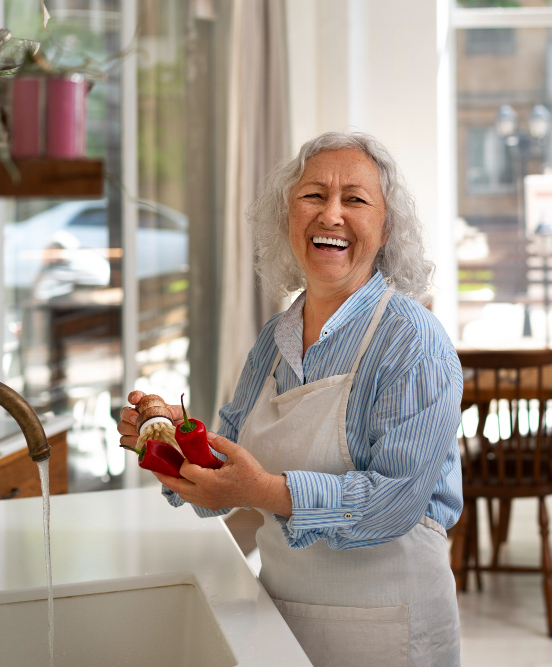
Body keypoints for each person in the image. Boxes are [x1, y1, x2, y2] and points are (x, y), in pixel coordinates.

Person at [117, 132, 462, 667]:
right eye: (313, 196)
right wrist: (175, 442)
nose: (331, 215)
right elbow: (226, 478)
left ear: (386, 225)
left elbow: (395, 501)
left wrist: (268, 491)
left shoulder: (413, 340)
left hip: (391, 625)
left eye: (355, 199)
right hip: (281, 618)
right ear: (286, 219)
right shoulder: (274, 341)